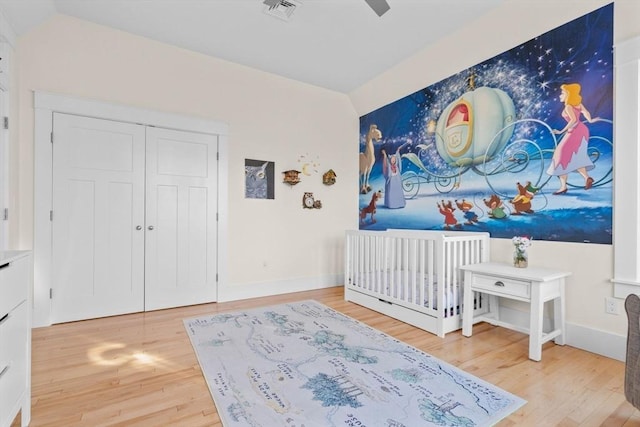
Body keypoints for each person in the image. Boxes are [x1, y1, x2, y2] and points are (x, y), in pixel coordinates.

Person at [547, 83, 600, 195]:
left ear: (568, 95)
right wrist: (590, 120)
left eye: (562, 93)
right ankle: (587, 178)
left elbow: (573, 120)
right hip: (582, 130)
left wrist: (561, 131)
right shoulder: (578, 104)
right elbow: (585, 112)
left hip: (575, 131)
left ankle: (563, 187)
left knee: (560, 156)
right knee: (575, 156)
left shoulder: (569, 106)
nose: (560, 95)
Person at [381, 140, 411, 208]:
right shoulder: (389, 167)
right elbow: (385, 165)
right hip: (391, 182)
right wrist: (385, 155)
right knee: (391, 192)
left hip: (397, 181)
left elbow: (397, 155)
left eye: (394, 160)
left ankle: (399, 203)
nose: (393, 161)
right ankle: (392, 204)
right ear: (390, 160)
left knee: (398, 192)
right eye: (392, 160)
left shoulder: (397, 167)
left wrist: (398, 150)